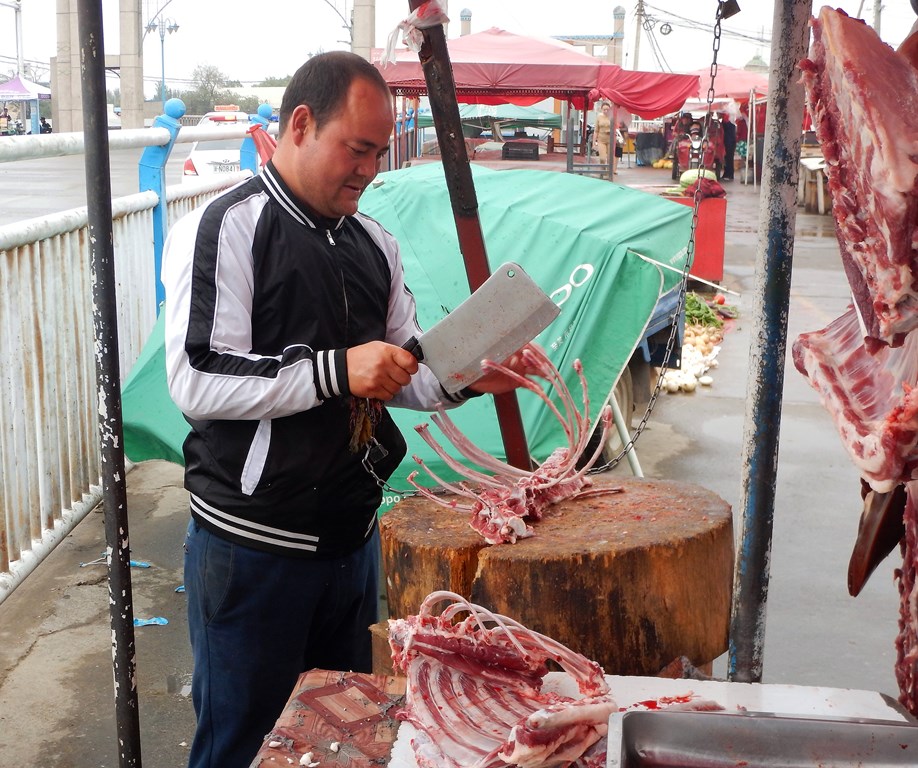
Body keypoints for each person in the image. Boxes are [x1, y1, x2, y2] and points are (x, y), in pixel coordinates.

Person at [162, 51, 535, 768]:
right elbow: (198, 378)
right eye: (355, 149)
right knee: (243, 745)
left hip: (353, 543)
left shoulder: (374, 243)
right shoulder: (228, 226)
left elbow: (403, 375)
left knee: (346, 743)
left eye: (377, 152)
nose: (367, 168)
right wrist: (339, 369)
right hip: (253, 548)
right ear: (301, 124)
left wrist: (464, 377)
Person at [593, 101, 613, 176]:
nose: (606, 111)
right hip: (601, 139)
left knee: (609, 158)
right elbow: (596, 130)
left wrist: (611, 131)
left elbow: (616, 128)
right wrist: (594, 142)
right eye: (604, 109)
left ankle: (608, 173)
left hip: (610, 139)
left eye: (607, 110)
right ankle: (603, 171)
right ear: (601, 109)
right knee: (602, 158)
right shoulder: (599, 117)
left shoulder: (612, 117)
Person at [720, 112, 737, 181]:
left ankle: (729, 174)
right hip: (729, 141)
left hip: (728, 142)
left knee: (728, 158)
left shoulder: (727, 121)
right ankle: (728, 173)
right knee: (728, 158)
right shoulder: (729, 121)